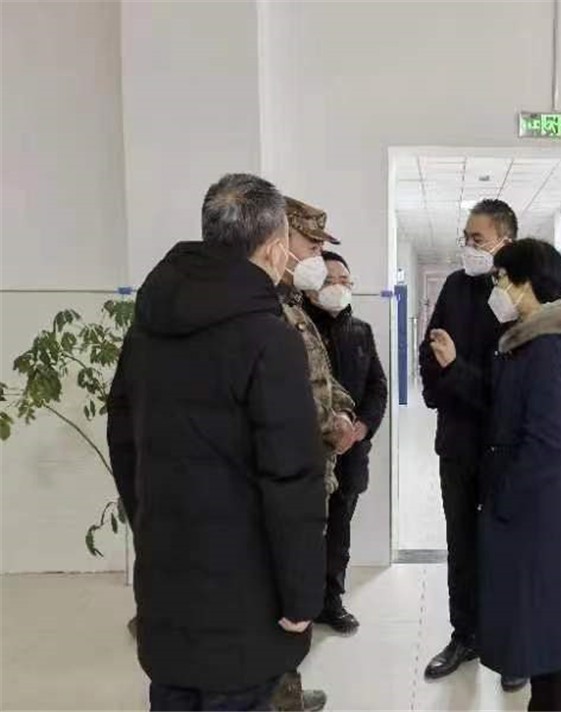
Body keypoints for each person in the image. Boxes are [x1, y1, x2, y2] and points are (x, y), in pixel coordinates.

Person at [107, 174, 326, 711]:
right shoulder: (269, 339)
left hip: (166, 580)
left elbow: (124, 443)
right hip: (244, 598)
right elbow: (291, 477)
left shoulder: (148, 328)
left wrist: (154, 529)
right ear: (274, 248)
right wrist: (301, 595)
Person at [479, 239, 561, 712]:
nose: (496, 289)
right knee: (542, 618)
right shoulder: (530, 342)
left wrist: (505, 498)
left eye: (500, 279)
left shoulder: (546, 348)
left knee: (545, 618)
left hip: (538, 505)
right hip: (540, 500)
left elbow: (545, 439)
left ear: (524, 283)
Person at [419, 199, 526, 692]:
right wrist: (445, 383)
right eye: (465, 237)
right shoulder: (456, 286)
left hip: (505, 446)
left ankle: (512, 644)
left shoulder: (521, 291)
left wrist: (456, 371)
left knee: (506, 545)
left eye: (477, 239)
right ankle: (465, 635)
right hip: (458, 441)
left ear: (505, 241)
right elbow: (431, 352)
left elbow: (513, 384)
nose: (468, 246)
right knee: (461, 543)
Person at [269, 197, 358, 710]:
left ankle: (287, 687)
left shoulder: (292, 306)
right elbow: (283, 399)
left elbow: (321, 379)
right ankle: (277, 692)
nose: (317, 258)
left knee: (296, 587)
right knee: (282, 592)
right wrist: (330, 426)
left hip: (312, 472)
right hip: (291, 478)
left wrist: (342, 412)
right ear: (279, 240)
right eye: (312, 245)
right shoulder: (265, 312)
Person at [304, 251, 388, 634]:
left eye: (345, 281)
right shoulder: (296, 328)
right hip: (308, 454)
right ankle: (299, 604)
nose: (339, 288)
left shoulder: (361, 332)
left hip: (350, 453)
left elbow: (377, 387)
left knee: (339, 531)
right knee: (304, 532)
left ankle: (331, 601)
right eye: (330, 280)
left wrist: (361, 428)